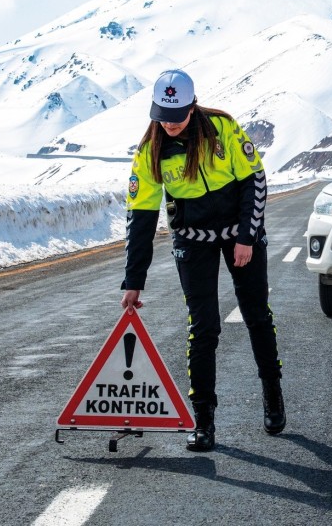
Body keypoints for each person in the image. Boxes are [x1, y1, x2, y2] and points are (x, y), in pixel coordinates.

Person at [120, 69, 284, 451]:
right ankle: (204, 421)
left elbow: (255, 182)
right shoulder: (150, 153)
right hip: (192, 241)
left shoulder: (222, 128)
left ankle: (272, 393)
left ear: (193, 107)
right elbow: (140, 219)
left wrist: (246, 237)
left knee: (256, 314)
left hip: (240, 234)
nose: (170, 123)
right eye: (162, 115)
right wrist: (133, 281)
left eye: (177, 115)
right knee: (203, 326)